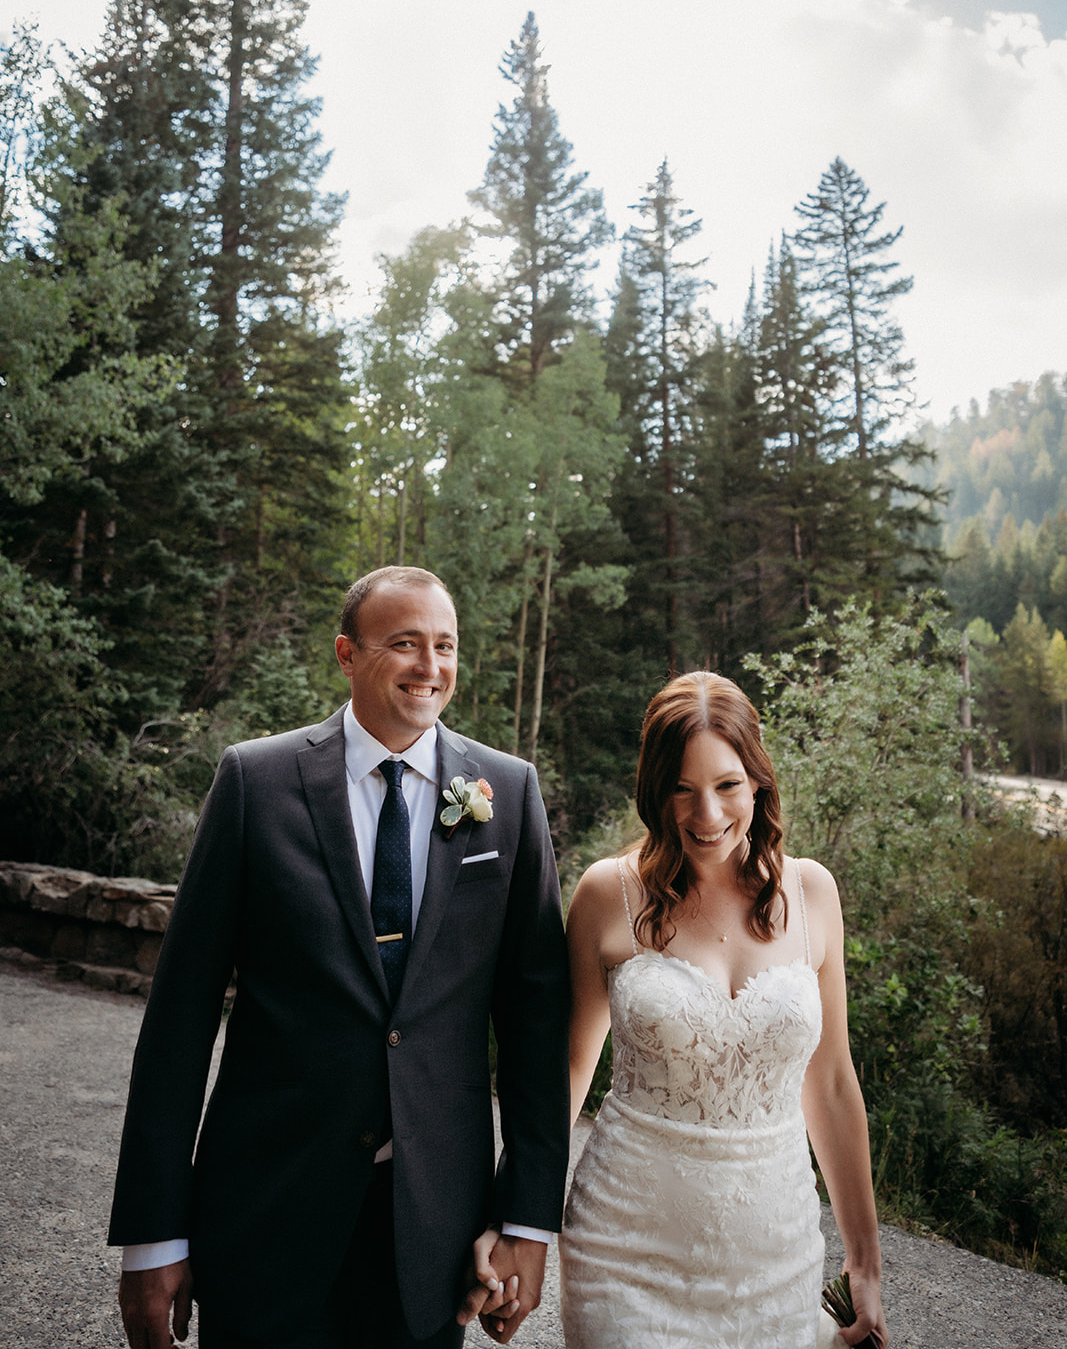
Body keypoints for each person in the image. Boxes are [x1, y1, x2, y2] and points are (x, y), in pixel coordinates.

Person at [109, 566, 570, 1349]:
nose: (430, 667)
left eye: (444, 645)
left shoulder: (508, 795)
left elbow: (534, 1026)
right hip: (265, 1207)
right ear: (346, 655)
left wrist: (526, 1219)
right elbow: (180, 1018)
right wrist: (154, 1237)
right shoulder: (256, 781)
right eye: (404, 644)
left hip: (434, 1231)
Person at [559, 671, 888, 1349]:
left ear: (759, 779)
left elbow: (828, 1083)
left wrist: (864, 1265)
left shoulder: (812, 894)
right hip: (624, 1254)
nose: (705, 814)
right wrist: (518, 1227)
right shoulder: (606, 896)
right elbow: (566, 1074)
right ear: (655, 791)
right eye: (681, 788)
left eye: (726, 784)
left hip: (777, 1260)